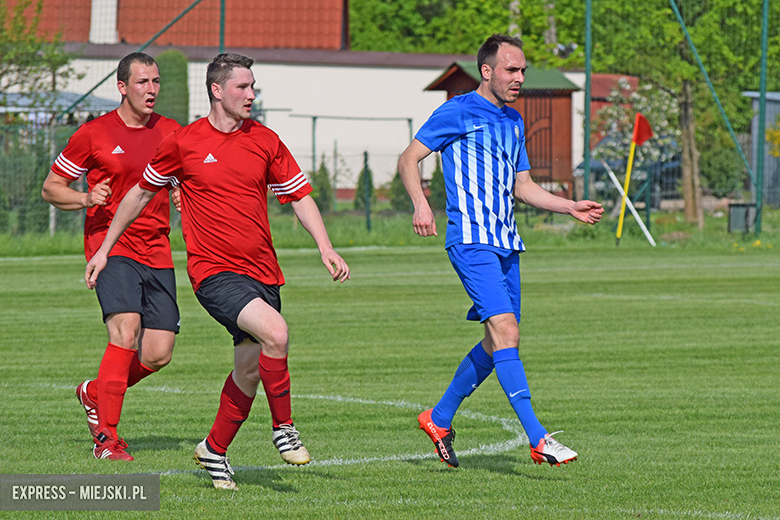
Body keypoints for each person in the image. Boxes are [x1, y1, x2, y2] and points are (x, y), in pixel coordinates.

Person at [85, 53, 350, 489]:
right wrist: (105, 249)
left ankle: (214, 449)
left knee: (249, 370)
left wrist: (325, 246)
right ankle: (283, 428)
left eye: (253, 87)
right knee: (277, 334)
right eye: (243, 88)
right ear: (217, 90)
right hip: (214, 274)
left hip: (263, 273)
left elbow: (299, 196)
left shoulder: (265, 139)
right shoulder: (183, 142)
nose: (251, 95)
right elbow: (136, 195)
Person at [397, 34, 604, 468]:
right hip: (471, 241)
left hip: (507, 243)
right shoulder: (456, 111)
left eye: (523, 70)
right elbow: (408, 158)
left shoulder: (513, 121)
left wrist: (570, 206)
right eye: (512, 70)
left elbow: (523, 186)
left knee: (497, 342)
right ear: (487, 71)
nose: (520, 78)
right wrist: (421, 203)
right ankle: (538, 438)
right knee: (506, 332)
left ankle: (438, 418)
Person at [42, 52, 182, 462]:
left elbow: (185, 175)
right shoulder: (94, 133)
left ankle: (94, 391)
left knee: (158, 353)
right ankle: (108, 439)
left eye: (156, 82)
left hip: (157, 247)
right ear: (122, 87)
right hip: (111, 245)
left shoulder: (172, 131)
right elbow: (52, 188)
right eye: (143, 82)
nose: (152, 90)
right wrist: (85, 196)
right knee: (125, 330)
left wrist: (180, 189)